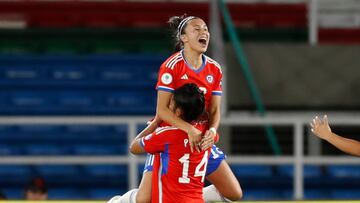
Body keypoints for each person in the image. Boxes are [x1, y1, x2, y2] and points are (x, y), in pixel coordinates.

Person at [108, 14, 242, 203]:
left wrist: (211, 130)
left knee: (234, 193)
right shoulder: (172, 67)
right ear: (184, 38)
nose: (203, 32)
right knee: (144, 200)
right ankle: (119, 201)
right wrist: (189, 129)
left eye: (205, 29)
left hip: (200, 141)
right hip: (172, 138)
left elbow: (214, 110)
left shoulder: (214, 69)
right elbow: (162, 111)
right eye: (197, 29)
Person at [131, 83, 211, 202]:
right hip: (196, 200)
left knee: (143, 198)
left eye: (171, 102)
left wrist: (155, 123)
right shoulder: (207, 135)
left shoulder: (166, 135)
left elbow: (133, 148)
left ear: (177, 112)